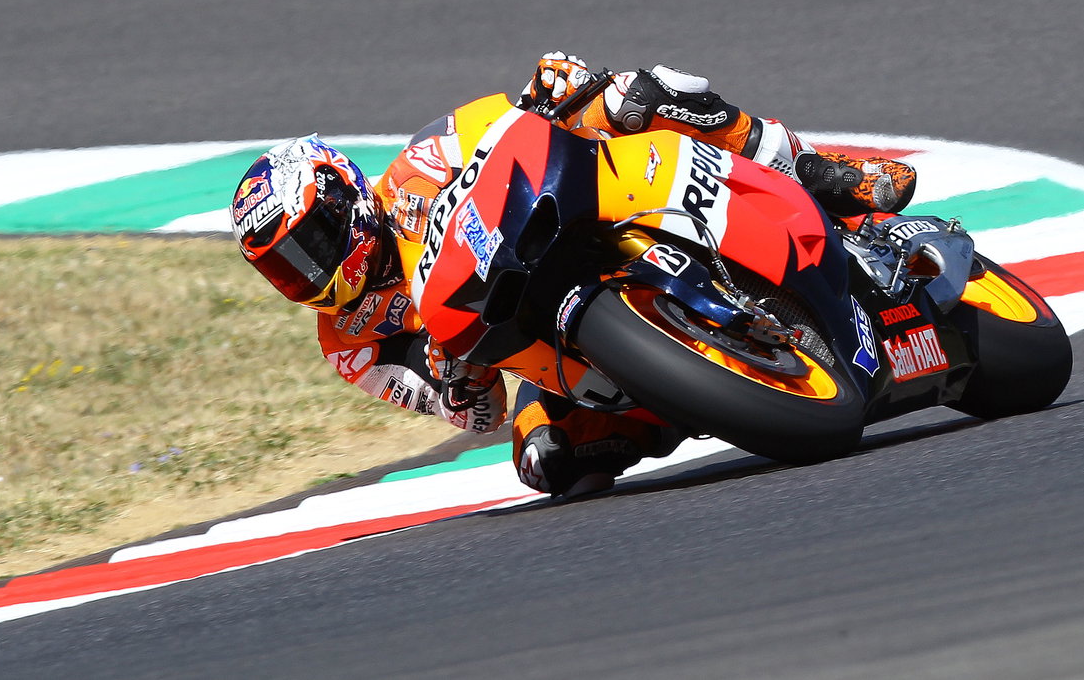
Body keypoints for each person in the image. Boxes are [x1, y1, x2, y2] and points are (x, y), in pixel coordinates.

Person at [231, 53, 918, 498]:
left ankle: (830, 174)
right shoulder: (350, 341)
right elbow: (476, 414)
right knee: (544, 460)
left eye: (311, 243)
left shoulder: (421, 159)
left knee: (636, 93)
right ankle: (688, 396)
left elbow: (512, 124)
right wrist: (455, 379)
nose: (311, 271)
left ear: (342, 195)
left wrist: (552, 89)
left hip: (578, 213)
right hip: (552, 347)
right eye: (287, 270)